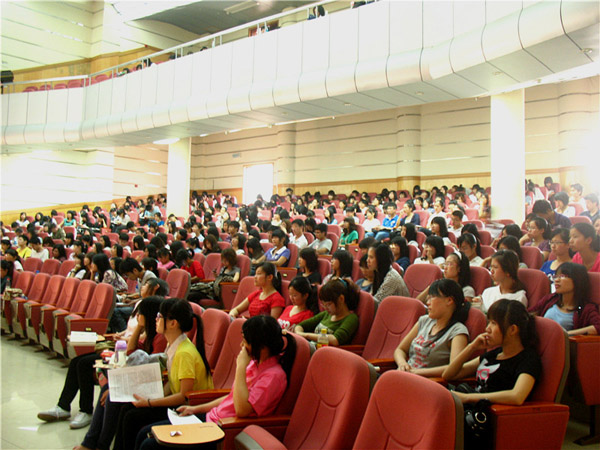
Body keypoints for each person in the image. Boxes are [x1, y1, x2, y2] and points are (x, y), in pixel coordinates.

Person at [138, 316, 298, 450]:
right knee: (145, 432)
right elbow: (231, 397)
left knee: (149, 445)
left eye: (245, 342)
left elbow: (242, 410)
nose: (242, 346)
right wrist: (196, 408)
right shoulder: (255, 363)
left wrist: (240, 367)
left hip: (223, 429)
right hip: (211, 418)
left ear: (261, 347)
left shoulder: (274, 376)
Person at [39, 296, 167, 436]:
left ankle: (86, 411)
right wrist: (139, 327)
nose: (137, 317)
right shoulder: (149, 333)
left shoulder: (159, 337)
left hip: (139, 374)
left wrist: (139, 328)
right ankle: (63, 406)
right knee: (77, 361)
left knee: (85, 365)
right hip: (126, 359)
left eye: (140, 314)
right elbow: (131, 351)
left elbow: (148, 364)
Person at [113, 298, 213, 450]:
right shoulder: (173, 345)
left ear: (173, 323)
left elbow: (184, 396)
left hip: (187, 408)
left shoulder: (184, 353)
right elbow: (172, 383)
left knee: (133, 418)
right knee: (127, 409)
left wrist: (149, 403)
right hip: (177, 402)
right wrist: (152, 398)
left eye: (159, 316)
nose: (156, 319)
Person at [443, 300, 542, 449]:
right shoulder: (494, 354)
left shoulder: (528, 359)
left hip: (490, 420)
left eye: (493, 323)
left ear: (512, 330)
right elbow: (449, 374)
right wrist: (472, 347)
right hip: (471, 409)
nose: (487, 328)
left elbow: (517, 396)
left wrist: (467, 398)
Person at [394, 279, 470, 374]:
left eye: (432, 297)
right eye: (428, 298)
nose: (427, 303)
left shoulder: (457, 331)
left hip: (427, 380)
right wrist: (402, 364)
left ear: (449, 300)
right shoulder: (424, 321)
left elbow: (453, 369)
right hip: (405, 374)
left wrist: (415, 372)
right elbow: (400, 349)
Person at [529, 262, 599, 336]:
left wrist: (566, 334)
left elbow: (598, 327)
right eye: (555, 277)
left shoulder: (586, 309)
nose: (556, 280)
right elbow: (530, 313)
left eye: (562, 276)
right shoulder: (551, 299)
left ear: (577, 279)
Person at [295, 278, 359, 347]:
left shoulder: (351, 318)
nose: (325, 308)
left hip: (326, 351)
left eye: (329, 304)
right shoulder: (327, 314)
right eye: (323, 304)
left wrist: (306, 335)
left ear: (341, 299)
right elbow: (300, 325)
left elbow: (335, 340)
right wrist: (299, 333)